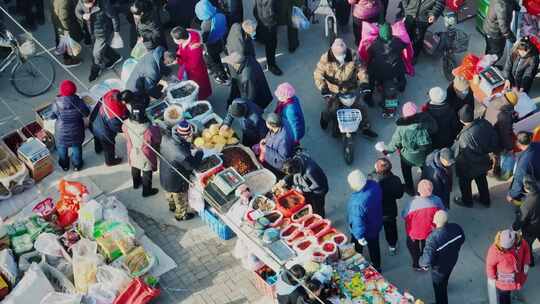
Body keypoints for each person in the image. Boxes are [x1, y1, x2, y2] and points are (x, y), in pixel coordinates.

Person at [313, 38, 378, 138]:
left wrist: (364, 82)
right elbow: (318, 74)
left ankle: (365, 127)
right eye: (340, 55)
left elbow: (361, 70)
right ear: (333, 53)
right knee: (331, 109)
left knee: (361, 108)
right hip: (333, 90)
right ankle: (324, 118)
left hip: (350, 88)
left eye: (344, 54)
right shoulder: (325, 59)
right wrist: (323, 87)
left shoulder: (353, 55)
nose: (343, 57)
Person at [384, 102, 438, 195]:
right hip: (423, 154)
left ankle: (409, 188)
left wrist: (386, 150)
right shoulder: (424, 122)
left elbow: (395, 143)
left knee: (406, 170)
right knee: (424, 168)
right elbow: (434, 128)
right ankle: (424, 184)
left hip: (408, 157)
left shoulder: (401, 128)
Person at [453, 104, 499, 208]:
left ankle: (467, 201)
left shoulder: (464, 136)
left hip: (468, 167)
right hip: (483, 162)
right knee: (482, 181)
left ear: (461, 120)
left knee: (464, 183)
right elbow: (494, 140)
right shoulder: (485, 123)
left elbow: (461, 154)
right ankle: (485, 200)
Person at [419, 210, 465, 304]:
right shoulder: (456, 227)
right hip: (452, 261)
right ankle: (445, 285)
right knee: (446, 276)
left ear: (435, 221)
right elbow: (462, 239)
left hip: (439, 270)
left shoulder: (433, 238)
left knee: (439, 290)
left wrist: (421, 262)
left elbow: (426, 260)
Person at [160, 126, 203, 221]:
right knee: (180, 199)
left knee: (169, 194)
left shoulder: (166, 139)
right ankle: (180, 215)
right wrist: (199, 152)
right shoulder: (182, 154)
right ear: (186, 135)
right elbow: (192, 166)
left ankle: (172, 207)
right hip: (176, 181)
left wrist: (187, 145)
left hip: (164, 175)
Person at [402, 179, 445, 270]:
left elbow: (404, 215)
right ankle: (425, 264)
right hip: (430, 231)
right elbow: (442, 212)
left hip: (414, 233)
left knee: (414, 249)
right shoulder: (437, 200)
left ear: (418, 190)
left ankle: (416, 264)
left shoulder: (412, 203)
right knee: (427, 248)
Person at [76, 0, 123, 82]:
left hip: (103, 32)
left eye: (88, 3)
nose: (86, 6)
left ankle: (96, 69)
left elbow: (114, 17)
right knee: (99, 47)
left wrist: (116, 32)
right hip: (92, 31)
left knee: (96, 53)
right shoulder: (82, 2)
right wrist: (82, 16)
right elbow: (77, 11)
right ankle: (115, 57)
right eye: (84, 4)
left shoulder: (104, 4)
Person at [122, 101, 162, 197]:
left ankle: (136, 184)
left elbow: (123, 129)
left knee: (134, 165)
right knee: (147, 171)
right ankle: (146, 191)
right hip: (145, 153)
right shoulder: (150, 128)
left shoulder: (126, 123)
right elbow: (157, 139)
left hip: (132, 150)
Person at [347, 169, 383, 271]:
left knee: (356, 247)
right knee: (374, 247)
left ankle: (356, 260)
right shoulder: (374, 185)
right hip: (376, 223)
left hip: (364, 230)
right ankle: (377, 266)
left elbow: (358, 223)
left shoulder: (357, 203)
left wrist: (359, 237)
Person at [51, 80, 91, 171]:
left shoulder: (57, 103)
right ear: (74, 90)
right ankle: (77, 165)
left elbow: (52, 116)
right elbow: (86, 114)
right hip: (76, 131)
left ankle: (64, 165)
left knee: (62, 148)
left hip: (61, 133)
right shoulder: (80, 102)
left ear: (61, 91)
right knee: (76, 148)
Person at [486, 229, 531, 304]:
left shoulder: (521, 242)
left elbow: (527, 250)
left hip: (517, 275)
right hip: (503, 281)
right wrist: (492, 276)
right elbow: (490, 265)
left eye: (508, 248)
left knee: (508, 291)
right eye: (504, 248)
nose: (505, 250)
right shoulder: (494, 250)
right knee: (504, 296)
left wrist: (526, 262)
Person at [370, 158, 404, 255]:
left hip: (375, 210)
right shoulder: (396, 180)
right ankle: (392, 246)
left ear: (378, 169)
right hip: (390, 211)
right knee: (390, 228)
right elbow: (399, 195)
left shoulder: (372, 178)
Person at [171, 26, 212, 100]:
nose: (173, 40)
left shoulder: (194, 48)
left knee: (199, 87)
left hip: (196, 71)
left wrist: (178, 61)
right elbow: (181, 50)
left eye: (174, 39)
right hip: (191, 67)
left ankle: (201, 99)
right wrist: (178, 57)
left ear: (181, 39)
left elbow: (193, 64)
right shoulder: (187, 34)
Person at [366, 23, 407, 95]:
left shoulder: (375, 44)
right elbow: (404, 46)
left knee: (370, 77)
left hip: (379, 72)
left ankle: (369, 98)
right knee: (401, 71)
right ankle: (401, 87)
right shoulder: (397, 42)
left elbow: (369, 52)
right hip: (395, 71)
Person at [90, 89, 128, 167]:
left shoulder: (112, 93)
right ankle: (110, 161)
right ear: (123, 102)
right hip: (104, 133)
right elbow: (116, 127)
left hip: (94, 121)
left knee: (97, 137)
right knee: (109, 146)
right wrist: (126, 128)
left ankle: (98, 149)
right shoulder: (114, 114)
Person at [484, 91, 518, 177]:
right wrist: (510, 148)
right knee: (496, 156)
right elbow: (505, 135)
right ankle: (493, 171)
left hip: (485, 132)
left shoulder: (495, 101)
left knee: (488, 153)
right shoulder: (505, 116)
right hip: (494, 139)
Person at [195, 0, 229, 84]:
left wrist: (198, 43)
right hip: (222, 40)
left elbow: (204, 39)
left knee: (216, 62)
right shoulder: (220, 14)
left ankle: (222, 78)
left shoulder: (205, 24)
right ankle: (228, 70)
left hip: (212, 46)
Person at [513, 175, 540, 267]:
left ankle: (530, 262)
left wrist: (515, 227)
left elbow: (521, 220)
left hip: (530, 230)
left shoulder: (526, 204)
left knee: (527, 246)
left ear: (526, 188)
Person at [253, 0, 285, 75]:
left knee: (261, 27)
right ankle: (271, 65)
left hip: (260, 12)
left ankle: (259, 37)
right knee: (271, 43)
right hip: (269, 19)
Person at [508, 131, 540, 201]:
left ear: (519, 144)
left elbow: (518, 181)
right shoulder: (537, 144)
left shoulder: (524, 162)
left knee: (524, 184)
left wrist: (511, 194)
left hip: (536, 181)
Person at [52, 0, 83, 67]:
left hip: (57, 21)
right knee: (66, 41)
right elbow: (63, 17)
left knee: (59, 37)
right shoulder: (65, 1)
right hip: (65, 26)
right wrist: (67, 31)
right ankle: (68, 60)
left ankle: (59, 49)